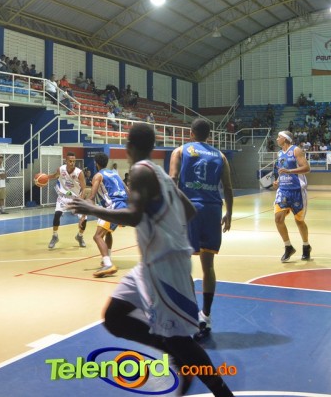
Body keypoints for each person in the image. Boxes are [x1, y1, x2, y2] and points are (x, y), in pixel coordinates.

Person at [66, 123, 234, 397]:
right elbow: (189, 210)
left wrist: (91, 208)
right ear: (153, 147)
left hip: (164, 266)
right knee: (114, 317)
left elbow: (134, 216)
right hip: (150, 264)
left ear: (128, 146)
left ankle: (222, 392)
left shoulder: (141, 172)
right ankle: (176, 355)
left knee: (181, 341)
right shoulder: (159, 173)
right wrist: (167, 226)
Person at [169, 118, 233, 341]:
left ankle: (190, 313)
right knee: (209, 265)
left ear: (191, 133)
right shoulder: (220, 156)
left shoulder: (180, 151)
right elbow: (228, 187)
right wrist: (229, 213)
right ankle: (206, 315)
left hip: (189, 209)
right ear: (209, 135)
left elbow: (173, 179)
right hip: (213, 210)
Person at [87, 152, 129, 278]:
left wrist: (84, 213)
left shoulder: (98, 176)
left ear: (96, 163)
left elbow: (92, 197)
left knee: (97, 236)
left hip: (113, 208)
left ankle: (108, 264)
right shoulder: (115, 174)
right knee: (108, 232)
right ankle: (107, 258)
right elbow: (127, 190)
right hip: (123, 206)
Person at [273, 131, 312, 261]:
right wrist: (278, 181)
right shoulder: (279, 153)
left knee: (299, 221)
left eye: (279, 137)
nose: (277, 139)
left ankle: (306, 246)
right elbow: (282, 170)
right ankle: (288, 246)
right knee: (278, 218)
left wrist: (289, 171)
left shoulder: (296, 150)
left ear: (285, 139)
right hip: (283, 190)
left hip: (297, 190)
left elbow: (307, 168)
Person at [39, 151, 87, 249]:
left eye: (74, 161)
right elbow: (54, 175)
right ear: (66, 161)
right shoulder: (61, 169)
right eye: (70, 161)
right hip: (63, 197)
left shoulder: (79, 173)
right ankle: (55, 236)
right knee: (57, 214)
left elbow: (84, 188)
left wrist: (81, 200)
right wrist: (44, 177)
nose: (72, 163)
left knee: (84, 220)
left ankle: (80, 236)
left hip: (76, 198)